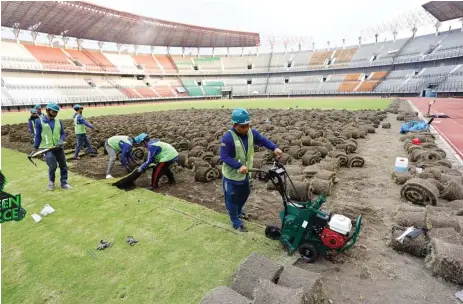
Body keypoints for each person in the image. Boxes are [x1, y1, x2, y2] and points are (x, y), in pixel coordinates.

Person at [220, 108, 283, 232]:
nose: (246, 128)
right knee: (231, 199)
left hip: (245, 175)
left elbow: (263, 140)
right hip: (231, 176)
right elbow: (224, 157)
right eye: (243, 126)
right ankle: (236, 222)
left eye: (247, 125)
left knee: (245, 194)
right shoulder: (228, 138)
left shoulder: (251, 133)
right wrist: (238, 166)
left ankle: (238, 212)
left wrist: (274, 148)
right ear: (235, 125)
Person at [33, 103, 71, 191]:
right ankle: (51, 182)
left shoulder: (58, 121)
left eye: (56, 112)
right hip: (47, 148)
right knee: (52, 166)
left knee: (63, 165)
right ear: (47, 110)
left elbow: (62, 133)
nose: (55, 114)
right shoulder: (39, 121)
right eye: (54, 112)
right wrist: (35, 147)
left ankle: (64, 183)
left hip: (58, 147)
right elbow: (38, 135)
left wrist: (61, 140)